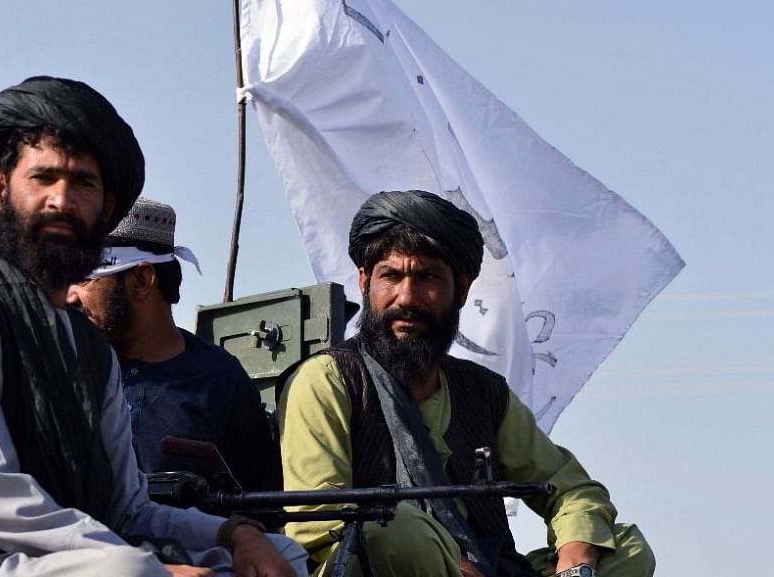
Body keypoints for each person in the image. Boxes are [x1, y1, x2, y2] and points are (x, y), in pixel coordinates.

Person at [0, 77, 307, 576]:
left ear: (106, 209)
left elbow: (128, 508)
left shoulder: (90, 350)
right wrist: (153, 565)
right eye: (43, 178)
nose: (62, 199)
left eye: (82, 183)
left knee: (283, 558)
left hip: (55, 562)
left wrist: (234, 534)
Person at [278, 190, 654, 577]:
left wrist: (577, 557)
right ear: (364, 282)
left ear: (462, 287)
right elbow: (319, 523)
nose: (406, 297)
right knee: (388, 529)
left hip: (489, 567)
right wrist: (450, 566)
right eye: (390, 276)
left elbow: (570, 488)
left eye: (428, 277)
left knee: (625, 548)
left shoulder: (483, 393)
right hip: (380, 566)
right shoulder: (327, 381)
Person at [68, 197, 277, 492]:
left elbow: (254, 509)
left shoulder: (221, 382)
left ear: (141, 279)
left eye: (85, 279)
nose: (70, 296)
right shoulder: (63, 370)